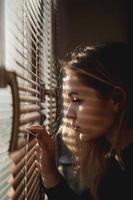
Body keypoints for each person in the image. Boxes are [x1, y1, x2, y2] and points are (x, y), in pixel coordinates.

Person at [28, 42, 133, 200]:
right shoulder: (114, 162)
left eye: (76, 100)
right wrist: (50, 172)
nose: (69, 114)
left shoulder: (124, 176)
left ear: (116, 100)